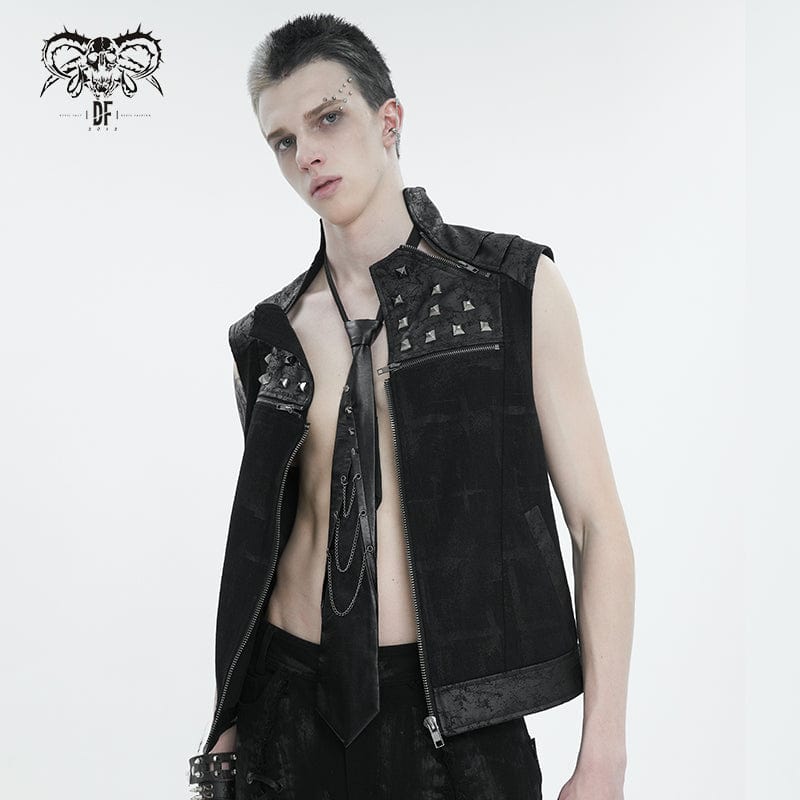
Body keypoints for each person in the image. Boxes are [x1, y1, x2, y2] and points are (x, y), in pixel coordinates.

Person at [188, 12, 633, 800]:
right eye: (283, 140)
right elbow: (266, 548)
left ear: (389, 119)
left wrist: (603, 759)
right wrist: (227, 731)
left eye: (328, 118)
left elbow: (597, 527)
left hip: (456, 726)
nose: (306, 153)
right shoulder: (264, 338)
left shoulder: (512, 290)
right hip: (285, 720)